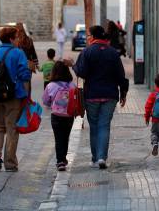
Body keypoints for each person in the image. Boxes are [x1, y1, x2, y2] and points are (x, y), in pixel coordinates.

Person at [72, 25, 129, 169]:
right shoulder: (113, 53)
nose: (88, 37)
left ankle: (95, 158)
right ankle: (102, 157)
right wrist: (123, 93)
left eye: (89, 35)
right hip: (110, 95)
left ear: (93, 36)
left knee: (94, 127)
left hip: (92, 95)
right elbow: (120, 76)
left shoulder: (87, 52)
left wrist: (74, 66)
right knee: (104, 126)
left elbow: (82, 72)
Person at [0, 27, 31, 172]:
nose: (18, 40)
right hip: (13, 96)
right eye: (16, 37)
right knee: (12, 129)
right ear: (11, 39)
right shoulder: (18, 53)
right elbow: (25, 75)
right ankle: (10, 163)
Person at [42, 61, 75, 171]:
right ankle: (63, 158)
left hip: (56, 115)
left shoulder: (50, 85)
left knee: (58, 138)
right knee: (66, 137)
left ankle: (60, 161)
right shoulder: (71, 85)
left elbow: (46, 101)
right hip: (69, 115)